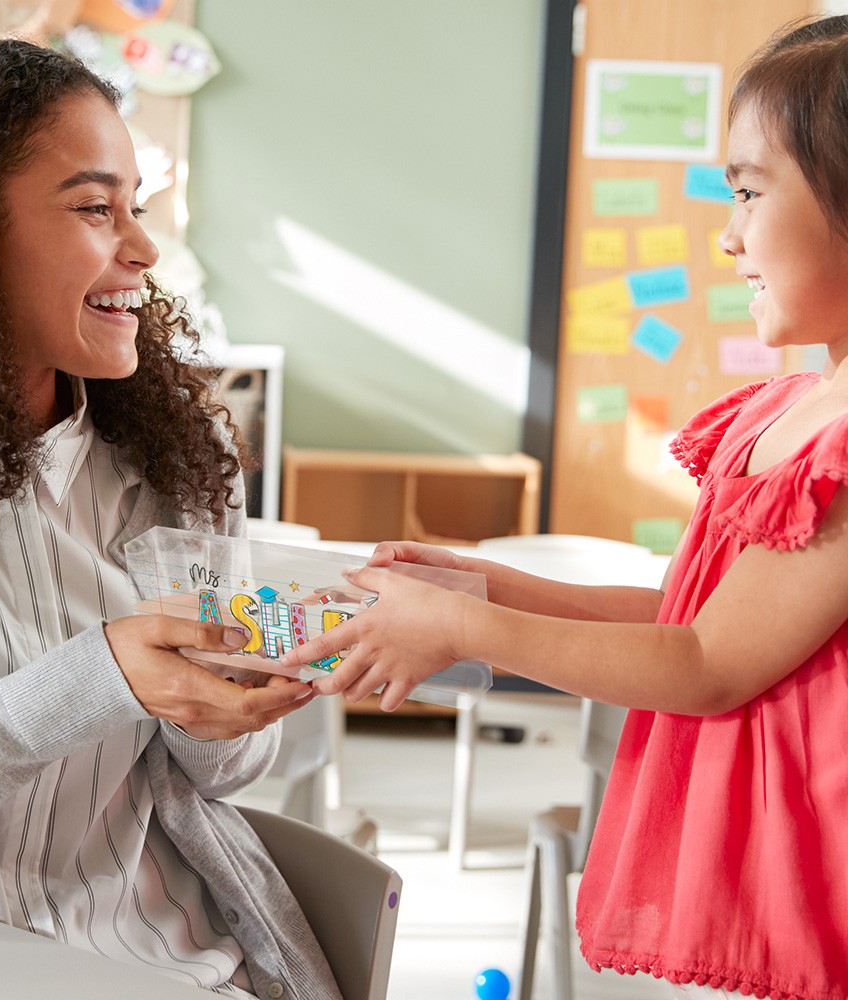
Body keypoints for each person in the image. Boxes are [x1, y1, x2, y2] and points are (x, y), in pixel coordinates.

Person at [281, 15, 848, 999]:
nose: (725, 234)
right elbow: (688, 621)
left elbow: (708, 667)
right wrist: (487, 581)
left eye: (749, 192)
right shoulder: (792, 406)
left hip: (803, 864)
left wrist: (465, 623)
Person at [0, 35, 341, 1000]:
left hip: (179, 967)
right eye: (93, 207)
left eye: (138, 207)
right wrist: (92, 679)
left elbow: (222, 775)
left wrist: (241, 689)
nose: (143, 248)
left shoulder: (174, 455)